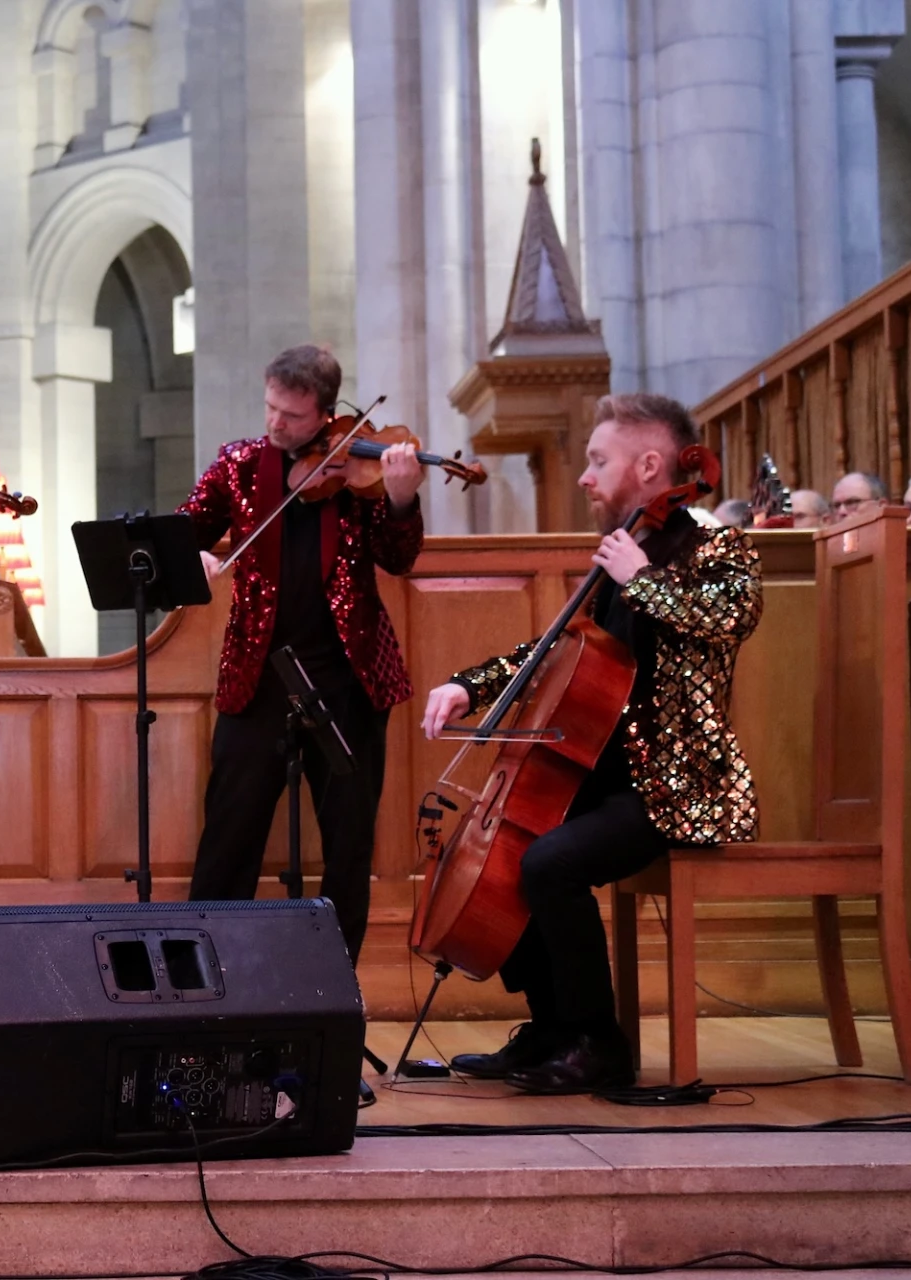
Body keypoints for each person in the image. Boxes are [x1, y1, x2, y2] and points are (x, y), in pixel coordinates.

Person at [421, 393, 762, 1094]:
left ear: (648, 464)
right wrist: (468, 685)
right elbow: (552, 654)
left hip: (674, 789)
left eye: (598, 460)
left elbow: (731, 616)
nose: (585, 476)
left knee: (550, 862)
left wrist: (645, 581)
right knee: (512, 854)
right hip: (602, 782)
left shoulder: (713, 545)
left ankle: (598, 1041)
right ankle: (551, 1029)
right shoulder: (619, 556)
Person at [178, 345, 425, 963]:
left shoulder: (358, 476)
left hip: (348, 679)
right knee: (229, 833)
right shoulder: (237, 465)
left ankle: (332, 987)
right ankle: (207, 975)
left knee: (348, 844)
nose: (276, 424)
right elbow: (185, 530)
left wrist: (400, 498)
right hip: (256, 678)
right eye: (270, 408)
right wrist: (195, 558)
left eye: (291, 415)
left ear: (326, 415)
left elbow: (398, 559)